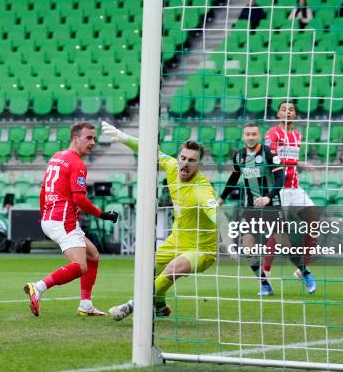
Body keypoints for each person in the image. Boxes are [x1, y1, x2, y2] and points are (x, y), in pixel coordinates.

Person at [102, 122, 220, 321]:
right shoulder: (173, 167)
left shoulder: (202, 189)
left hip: (202, 249)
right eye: (183, 158)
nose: (185, 163)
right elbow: (151, 151)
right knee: (147, 269)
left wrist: (230, 234)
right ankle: (160, 307)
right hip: (177, 240)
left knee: (173, 268)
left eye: (191, 160)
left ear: (199, 164)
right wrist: (124, 138)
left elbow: (216, 213)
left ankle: (133, 305)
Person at [23, 122, 119, 317]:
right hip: (63, 220)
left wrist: (45, 215)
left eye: (94, 138)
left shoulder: (56, 157)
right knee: (80, 267)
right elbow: (79, 199)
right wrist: (102, 214)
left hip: (52, 218)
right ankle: (38, 287)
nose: (93, 142)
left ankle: (86, 304)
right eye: (88, 138)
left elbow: (43, 192)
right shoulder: (77, 164)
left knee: (92, 255)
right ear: (75, 138)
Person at [218, 122, 285, 296]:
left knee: (283, 242)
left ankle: (304, 273)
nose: (250, 137)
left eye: (254, 134)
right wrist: (222, 197)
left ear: (259, 136)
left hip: (272, 205)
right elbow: (233, 178)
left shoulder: (269, 153)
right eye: (247, 134)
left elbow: (280, 178)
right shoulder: (239, 156)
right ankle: (264, 284)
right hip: (251, 207)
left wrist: (268, 197)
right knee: (247, 244)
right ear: (243, 137)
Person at [262, 102, 318, 295]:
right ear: (278, 113)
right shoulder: (272, 134)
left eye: (292, 109)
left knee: (315, 222)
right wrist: (299, 162)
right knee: (278, 234)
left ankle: (301, 270)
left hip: (295, 188)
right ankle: (265, 276)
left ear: (295, 114)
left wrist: (296, 164)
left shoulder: (297, 136)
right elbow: (272, 159)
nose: (288, 111)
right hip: (279, 189)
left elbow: (291, 164)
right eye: (284, 109)